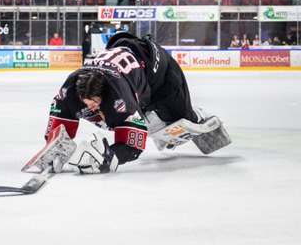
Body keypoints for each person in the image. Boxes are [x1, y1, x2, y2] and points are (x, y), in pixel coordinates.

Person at [27, 32, 230, 175]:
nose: (89, 109)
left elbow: (133, 146)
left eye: (94, 103)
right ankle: (149, 113)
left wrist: (109, 156)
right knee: (125, 117)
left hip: (162, 75)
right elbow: (58, 126)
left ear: (104, 95)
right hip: (132, 72)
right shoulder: (70, 89)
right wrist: (54, 147)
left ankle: (197, 115)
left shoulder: (119, 95)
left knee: (180, 116)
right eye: (86, 104)